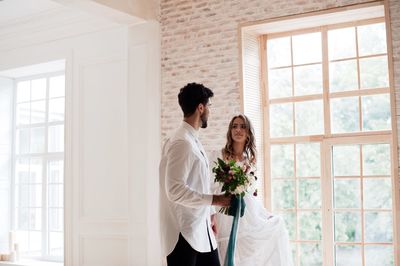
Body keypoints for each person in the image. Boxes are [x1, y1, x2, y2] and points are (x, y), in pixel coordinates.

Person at [159, 82, 232, 266]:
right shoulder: (181, 142)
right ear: (201, 107)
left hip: (201, 229)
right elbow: (174, 190)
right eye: (209, 106)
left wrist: (211, 212)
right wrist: (215, 200)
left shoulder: (192, 140)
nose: (209, 111)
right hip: (183, 233)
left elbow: (199, 182)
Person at [214, 114, 293, 266]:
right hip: (225, 210)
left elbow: (251, 194)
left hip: (246, 213)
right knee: (225, 249)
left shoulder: (249, 160)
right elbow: (212, 186)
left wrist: (265, 214)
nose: (238, 130)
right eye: (234, 126)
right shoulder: (220, 155)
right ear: (230, 131)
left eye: (242, 126)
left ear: (248, 132)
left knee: (274, 228)